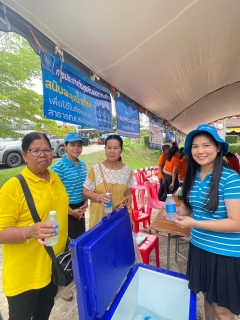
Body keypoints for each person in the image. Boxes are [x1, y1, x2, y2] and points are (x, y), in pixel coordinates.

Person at [173, 124, 240, 319]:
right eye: (195, 146)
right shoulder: (194, 177)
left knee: (222, 308)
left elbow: (236, 222)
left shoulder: (231, 178)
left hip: (224, 252)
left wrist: (194, 223)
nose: (200, 151)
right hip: (199, 247)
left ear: (218, 148)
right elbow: (194, 207)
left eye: (206, 145)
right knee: (207, 297)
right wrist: (177, 210)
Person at [0, 132, 69, 320]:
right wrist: (29, 231)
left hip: (51, 269)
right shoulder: (12, 188)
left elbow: (56, 206)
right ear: (24, 155)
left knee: (43, 314)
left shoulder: (54, 178)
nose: (43, 155)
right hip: (25, 276)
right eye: (35, 150)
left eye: (46, 149)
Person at [83, 134, 133, 228]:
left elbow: (128, 194)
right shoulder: (96, 169)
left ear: (121, 150)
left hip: (118, 218)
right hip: (99, 218)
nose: (112, 151)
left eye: (116, 148)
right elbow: (85, 191)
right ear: (105, 149)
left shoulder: (127, 170)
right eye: (109, 148)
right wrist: (99, 197)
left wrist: (130, 212)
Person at [51, 132, 88, 240]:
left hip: (80, 209)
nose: (76, 148)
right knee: (68, 244)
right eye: (72, 145)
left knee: (80, 239)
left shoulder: (82, 164)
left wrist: (85, 203)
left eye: (79, 145)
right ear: (65, 146)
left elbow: (84, 186)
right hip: (66, 210)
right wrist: (71, 212)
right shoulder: (58, 167)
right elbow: (54, 194)